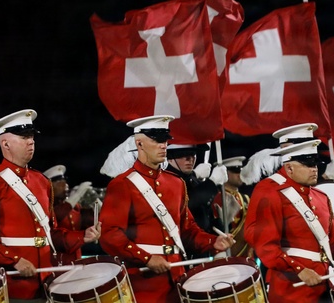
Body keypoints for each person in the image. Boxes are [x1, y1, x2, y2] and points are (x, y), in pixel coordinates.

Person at [0, 109, 101, 302]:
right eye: (23, 137)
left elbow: (50, 234)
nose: (31, 141)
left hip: (47, 281)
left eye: (31, 137)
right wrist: (14, 260)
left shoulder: (41, 181)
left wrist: (81, 236)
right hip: (14, 284)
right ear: (5, 143)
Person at [99, 115, 235, 303]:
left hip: (178, 277)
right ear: (139, 144)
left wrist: (213, 241)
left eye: (164, 140)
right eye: (156, 140)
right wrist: (146, 258)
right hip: (143, 281)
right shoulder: (122, 184)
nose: (163, 145)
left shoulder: (176, 183)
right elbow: (110, 234)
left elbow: (187, 230)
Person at [244, 139, 334, 303]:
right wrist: (300, 270)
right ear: (289, 167)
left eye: (316, 163)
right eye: (308, 164)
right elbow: (266, 246)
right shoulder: (272, 193)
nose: (314, 169)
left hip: (323, 288)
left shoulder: (321, 198)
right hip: (290, 291)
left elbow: (333, 247)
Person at [164, 143, 222, 241]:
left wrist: (221, 223)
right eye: (184, 154)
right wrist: (212, 182)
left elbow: (206, 217)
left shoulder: (195, 181)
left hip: (202, 244)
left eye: (193, 154)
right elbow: (187, 203)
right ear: (170, 158)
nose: (190, 159)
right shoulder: (165, 180)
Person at [43, 164, 95, 265]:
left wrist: (95, 201)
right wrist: (77, 194)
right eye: (59, 182)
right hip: (56, 261)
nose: (65, 185)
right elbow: (56, 215)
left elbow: (93, 222)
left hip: (76, 260)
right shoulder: (46, 205)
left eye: (65, 181)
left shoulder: (74, 206)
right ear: (49, 186)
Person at [212, 156, 252, 257]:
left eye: (241, 171)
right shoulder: (216, 198)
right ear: (224, 173)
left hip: (246, 254)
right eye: (236, 171)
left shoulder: (246, 198)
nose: (240, 175)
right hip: (225, 252)